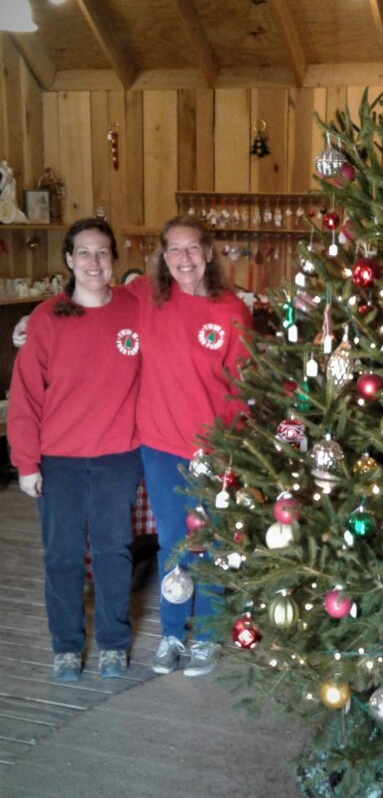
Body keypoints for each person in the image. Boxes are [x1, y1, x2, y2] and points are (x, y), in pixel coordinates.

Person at [7, 218, 142, 682]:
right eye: (83, 253)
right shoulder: (47, 319)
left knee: (113, 552)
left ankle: (112, 643)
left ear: (114, 260)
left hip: (118, 456)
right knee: (61, 556)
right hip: (58, 459)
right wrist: (26, 462)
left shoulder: (135, 307)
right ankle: (66, 646)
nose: (93, 262)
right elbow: (24, 396)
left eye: (103, 252)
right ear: (68, 260)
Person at [125, 216, 252, 677]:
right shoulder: (145, 296)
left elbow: (241, 385)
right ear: (163, 256)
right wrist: (37, 321)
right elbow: (91, 301)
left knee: (213, 542)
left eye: (192, 248)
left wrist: (231, 448)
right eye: (174, 249)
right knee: (174, 544)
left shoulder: (232, 310)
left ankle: (212, 636)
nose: (183, 258)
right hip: (159, 443)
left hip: (214, 448)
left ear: (209, 252)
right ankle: (173, 634)